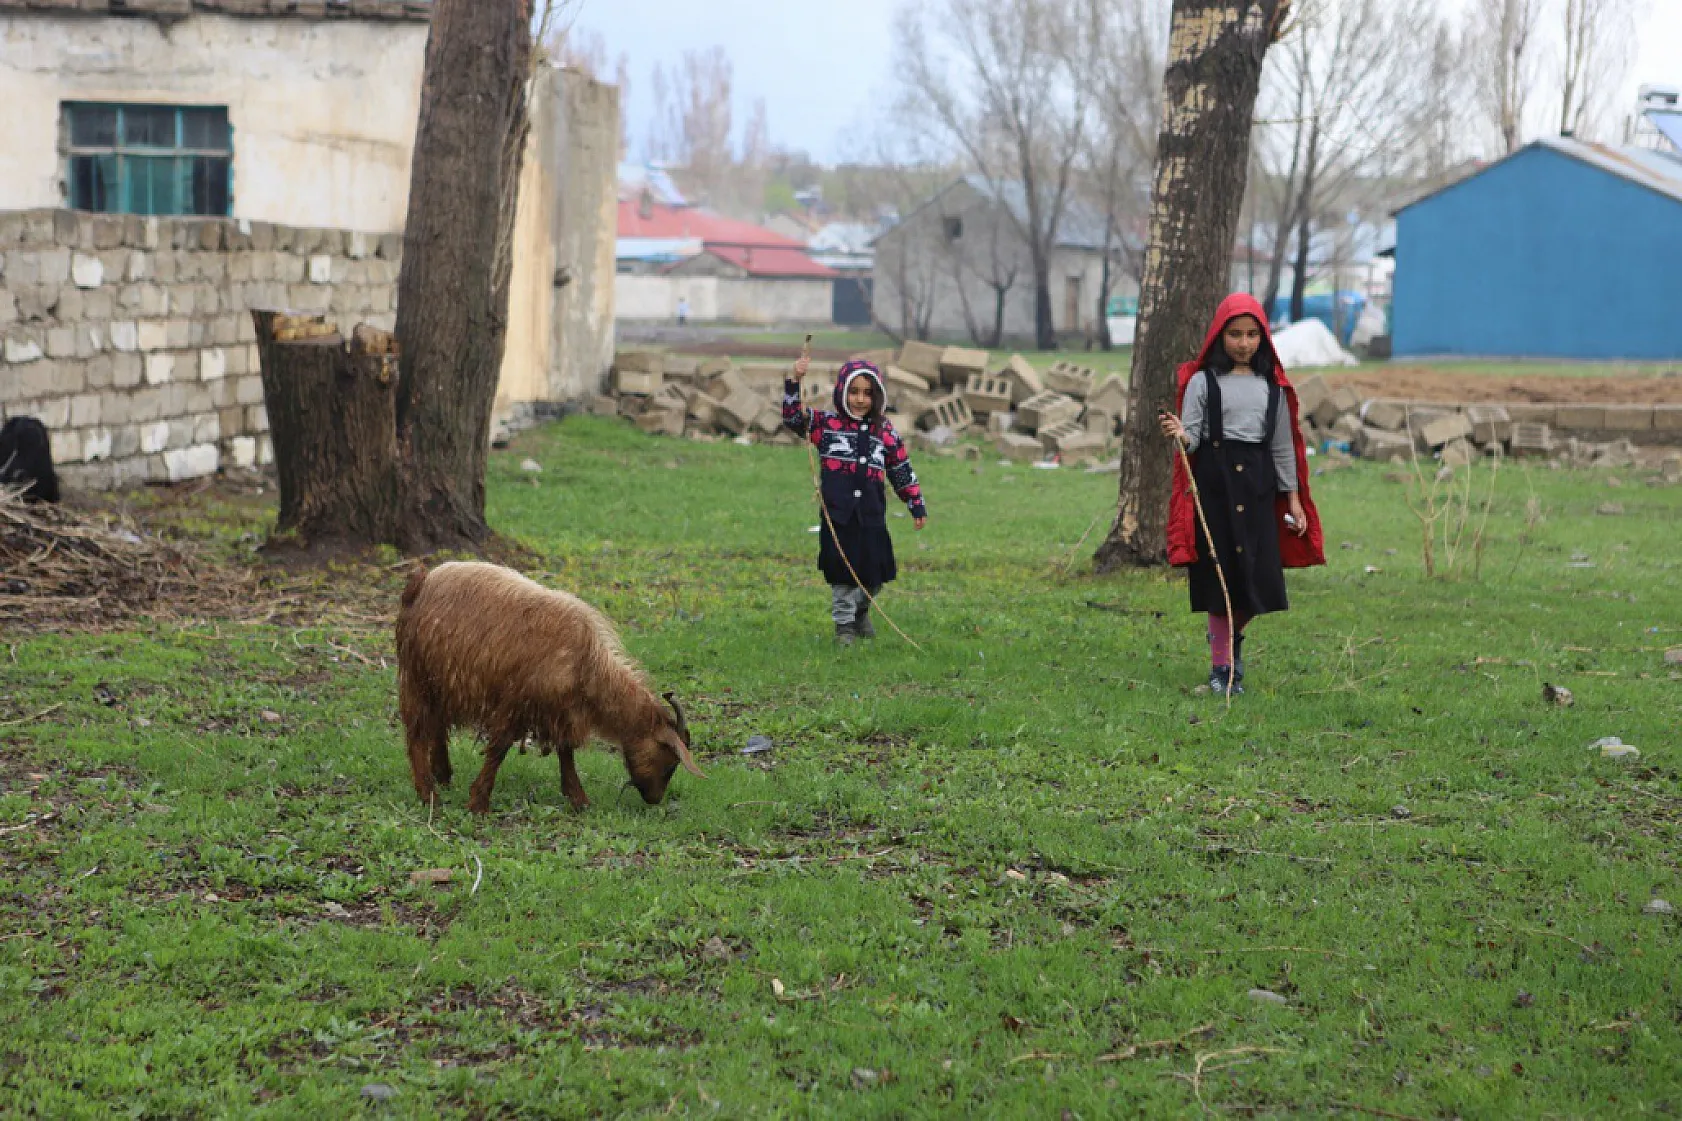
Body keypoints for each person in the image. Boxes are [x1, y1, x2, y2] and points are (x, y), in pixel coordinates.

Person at [1159, 293, 1324, 694]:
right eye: (1235, 334)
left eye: (1252, 335)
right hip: (1216, 488)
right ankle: (1224, 670)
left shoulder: (1273, 388)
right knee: (1220, 581)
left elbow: (1283, 447)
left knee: (1258, 581)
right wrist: (1181, 433)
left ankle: (1225, 639)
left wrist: (1293, 498)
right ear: (1220, 335)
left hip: (1259, 489)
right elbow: (1192, 437)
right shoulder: (1203, 382)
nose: (1244, 343)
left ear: (1264, 338)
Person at [783, 356, 928, 646]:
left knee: (876, 571)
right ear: (841, 392)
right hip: (838, 517)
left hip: (872, 515)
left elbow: (900, 469)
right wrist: (794, 381)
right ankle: (845, 627)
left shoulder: (884, 431)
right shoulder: (826, 425)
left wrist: (915, 503)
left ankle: (862, 612)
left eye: (867, 393)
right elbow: (793, 419)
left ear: (877, 396)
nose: (860, 399)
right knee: (842, 574)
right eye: (853, 392)